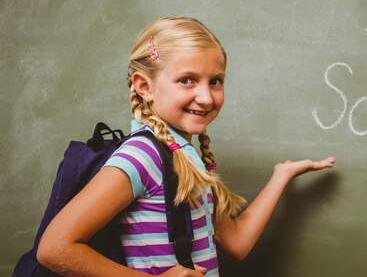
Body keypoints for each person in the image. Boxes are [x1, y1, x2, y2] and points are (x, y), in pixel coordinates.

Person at [37, 16, 336, 276]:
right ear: (144, 87)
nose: (206, 97)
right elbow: (54, 248)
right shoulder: (142, 157)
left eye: (215, 81)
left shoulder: (188, 157)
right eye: (187, 80)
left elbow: (236, 243)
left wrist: (281, 175)